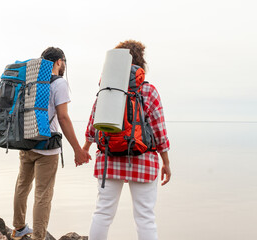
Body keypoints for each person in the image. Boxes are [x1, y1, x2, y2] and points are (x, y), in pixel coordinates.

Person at [83, 40, 171, 240]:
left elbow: (92, 125)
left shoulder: (107, 89)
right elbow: (159, 132)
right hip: (143, 159)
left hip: (109, 158)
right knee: (145, 217)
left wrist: (85, 148)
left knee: (102, 213)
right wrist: (166, 163)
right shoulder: (149, 91)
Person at [11, 47, 91, 240]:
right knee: (43, 194)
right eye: (64, 62)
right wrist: (78, 149)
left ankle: (19, 228)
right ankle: (39, 237)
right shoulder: (59, 83)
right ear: (58, 62)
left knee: (22, 185)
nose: (64, 66)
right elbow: (63, 118)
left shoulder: (30, 80)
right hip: (47, 147)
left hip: (26, 141)